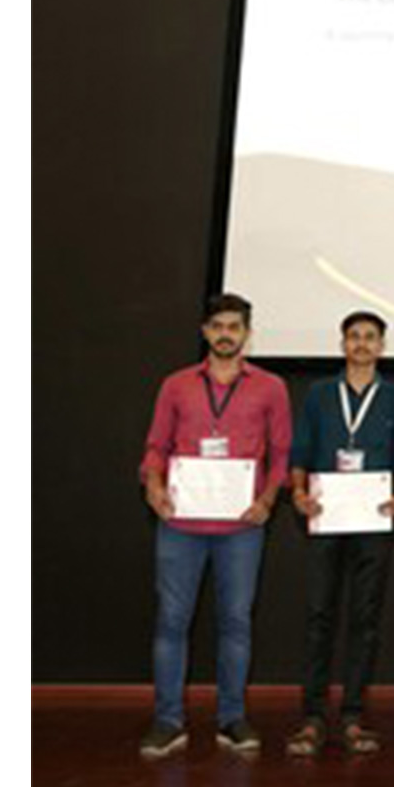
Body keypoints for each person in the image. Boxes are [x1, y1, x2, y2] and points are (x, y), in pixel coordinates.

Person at [137, 293, 291, 759]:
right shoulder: (176, 385)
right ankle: (168, 720)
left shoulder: (271, 387)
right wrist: (153, 486)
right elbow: (155, 447)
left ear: (247, 334)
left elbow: (281, 454)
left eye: (234, 327)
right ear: (205, 331)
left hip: (242, 526)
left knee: (236, 623)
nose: (226, 334)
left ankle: (232, 718)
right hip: (180, 522)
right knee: (171, 621)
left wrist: (268, 499)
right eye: (218, 326)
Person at [285, 311, 394, 756]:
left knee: (365, 618)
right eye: (354, 337)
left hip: (374, 518)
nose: (361, 344)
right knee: (319, 615)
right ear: (343, 344)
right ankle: (312, 717)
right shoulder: (320, 393)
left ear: (381, 347)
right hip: (326, 515)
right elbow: (301, 449)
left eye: (370, 337)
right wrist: (298, 493)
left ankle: (354, 715)